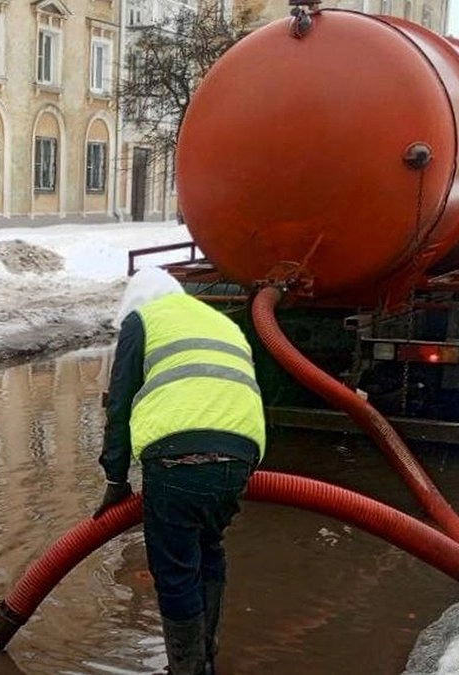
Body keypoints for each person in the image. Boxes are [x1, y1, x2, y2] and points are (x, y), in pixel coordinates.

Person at [92, 266, 266, 675]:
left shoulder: (142, 321)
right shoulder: (219, 321)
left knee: (173, 571)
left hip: (178, 457)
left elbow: (119, 406)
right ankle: (205, 660)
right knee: (209, 549)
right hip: (241, 455)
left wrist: (115, 480)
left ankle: (186, 670)